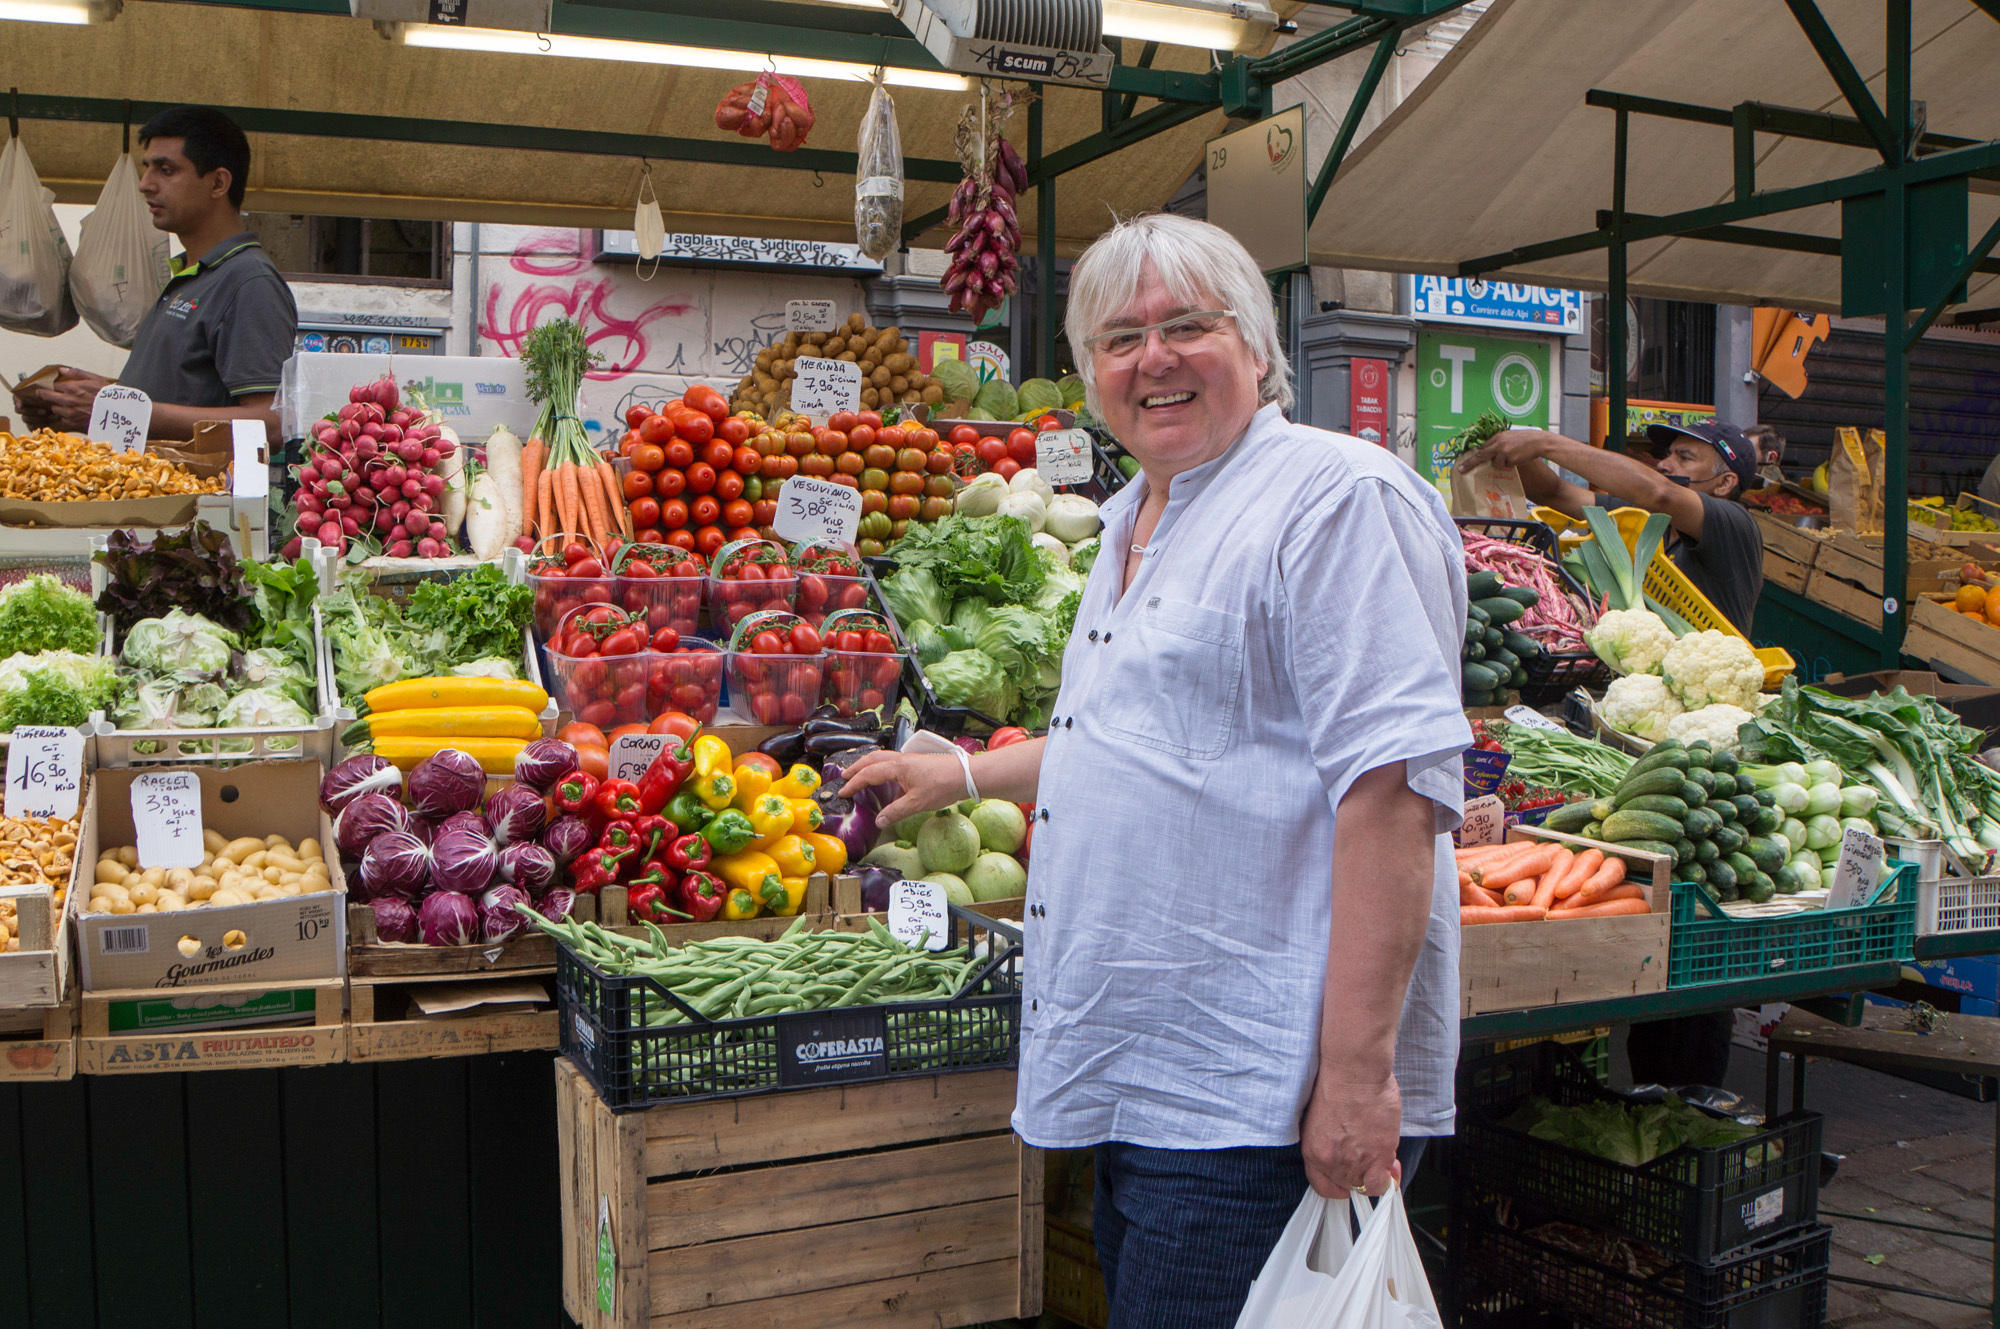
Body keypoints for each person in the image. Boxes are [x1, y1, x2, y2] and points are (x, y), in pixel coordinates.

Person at [840, 213, 1470, 1328]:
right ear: (1087, 375)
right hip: (1144, 1060)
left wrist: (1360, 1075)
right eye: (1119, 340)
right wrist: (967, 780)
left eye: (1187, 326)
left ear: (1258, 346)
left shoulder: (1333, 500)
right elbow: (1142, 739)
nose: (1153, 359)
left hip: (1257, 1088)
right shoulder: (1139, 511)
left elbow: (1391, 790)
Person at [17, 106, 295, 444]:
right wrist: (79, 401)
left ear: (218, 182)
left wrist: (116, 407)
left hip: (198, 497)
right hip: (148, 490)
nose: (145, 185)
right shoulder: (188, 278)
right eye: (146, 169)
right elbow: (172, 400)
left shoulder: (248, 282)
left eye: (166, 170)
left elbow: (271, 423)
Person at [1455, 418, 1781, 636]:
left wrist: (1546, 443)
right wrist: (1502, 448)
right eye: (1667, 455)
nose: (1665, 464)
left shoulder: (1734, 524)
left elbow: (1661, 493)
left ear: (1725, 483)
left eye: (1685, 458)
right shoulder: (1643, 517)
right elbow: (1556, 493)